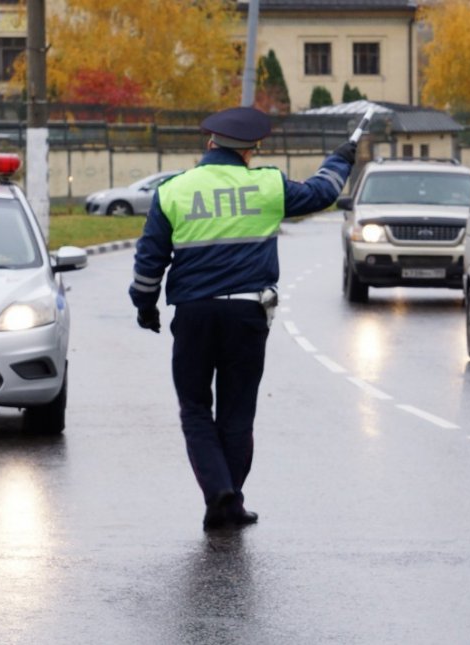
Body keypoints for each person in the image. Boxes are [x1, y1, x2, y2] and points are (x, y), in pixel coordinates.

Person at [129, 106, 356, 531]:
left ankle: (221, 497)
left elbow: (150, 258)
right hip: (248, 314)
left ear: (209, 143)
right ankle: (228, 499)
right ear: (251, 150)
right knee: (237, 414)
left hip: (194, 316)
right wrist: (340, 157)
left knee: (195, 408)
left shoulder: (174, 190)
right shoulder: (267, 185)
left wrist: (145, 305)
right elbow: (322, 193)